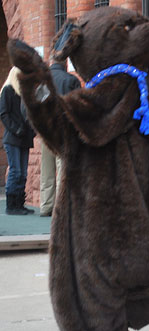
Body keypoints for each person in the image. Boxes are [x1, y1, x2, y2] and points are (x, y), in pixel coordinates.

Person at [39, 58, 81, 217]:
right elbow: (77, 107)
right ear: (65, 64)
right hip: (65, 130)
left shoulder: (44, 82)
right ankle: (61, 207)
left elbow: (36, 105)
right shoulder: (71, 80)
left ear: (51, 63)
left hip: (47, 130)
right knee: (63, 168)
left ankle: (46, 205)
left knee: (47, 169)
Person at [1, 66, 35, 215]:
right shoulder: (8, 90)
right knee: (16, 171)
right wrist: (16, 129)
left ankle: (20, 204)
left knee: (23, 173)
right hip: (13, 138)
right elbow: (4, 114)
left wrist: (32, 131)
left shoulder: (25, 93)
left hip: (25, 138)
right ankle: (11, 205)